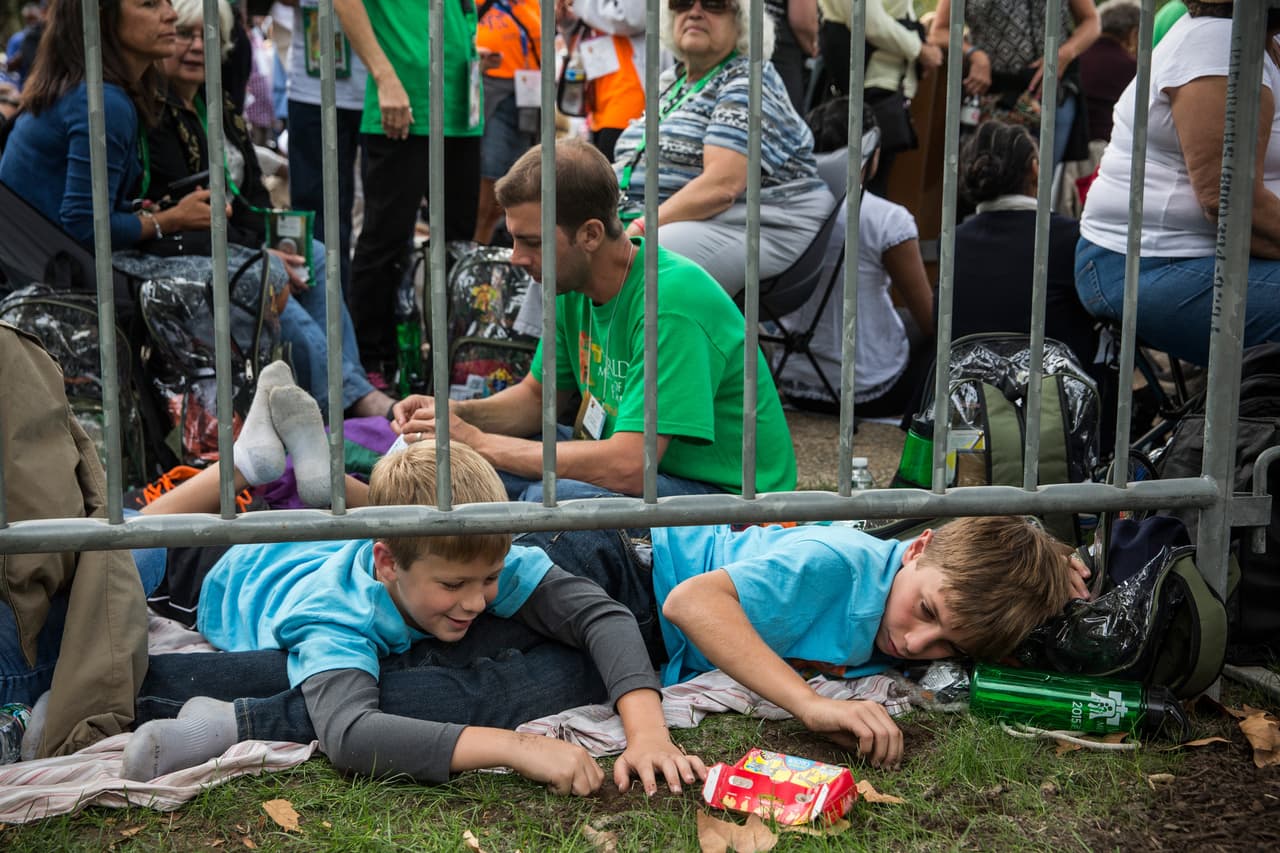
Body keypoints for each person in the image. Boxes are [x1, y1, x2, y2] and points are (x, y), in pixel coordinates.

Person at [119, 382, 704, 792]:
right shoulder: (336, 615)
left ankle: (292, 475)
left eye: (490, 579)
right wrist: (517, 747)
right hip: (210, 573)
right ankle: (245, 461)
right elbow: (349, 734)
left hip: (309, 547)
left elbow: (602, 617)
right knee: (126, 547)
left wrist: (649, 735)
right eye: (455, 584)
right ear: (388, 563)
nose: (478, 600)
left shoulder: (480, 556)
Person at [391, 139, 798, 502]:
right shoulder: (571, 283)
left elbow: (629, 466)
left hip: (730, 501)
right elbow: (536, 401)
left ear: (589, 234)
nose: (515, 257)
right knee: (446, 468)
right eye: (513, 238)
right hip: (636, 462)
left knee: (551, 499)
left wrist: (481, 444)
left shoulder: (671, 303)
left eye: (530, 242)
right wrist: (457, 417)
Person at [142, 0, 393, 420]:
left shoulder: (215, 107)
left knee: (313, 254)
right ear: (162, 39)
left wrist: (271, 242)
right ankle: (351, 400)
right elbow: (197, 216)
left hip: (234, 241)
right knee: (269, 276)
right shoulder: (156, 116)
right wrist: (263, 253)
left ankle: (341, 397)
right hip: (183, 251)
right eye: (183, 35)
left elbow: (252, 196)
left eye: (206, 37)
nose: (195, 48)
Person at [1076, 2, 1280, 367]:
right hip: (1148, 265)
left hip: (1193, 257)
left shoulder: (1259, 40)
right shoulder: (1217, 46)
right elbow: (1229, 202)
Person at [611, 0, 833, 298]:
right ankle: (548, 342)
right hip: (678, 218)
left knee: (641, 258)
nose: (695, 11)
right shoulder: (672, 82)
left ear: (743, 21)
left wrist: (640, 224)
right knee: (567, 236)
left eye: (715, 3)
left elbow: (722, 186)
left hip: (754, 222)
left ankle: (648, 345)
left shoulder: (748, 77)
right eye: (681, 2)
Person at [336, 0, 483, 385]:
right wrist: (385, 77)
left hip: (461, 108)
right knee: (385, 238)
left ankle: (448, 360)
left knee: (457, 244)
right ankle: (370, 363)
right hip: (404, 105)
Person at [0, 0, 215, 249]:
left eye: (167, 2)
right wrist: (171, 219)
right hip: (48, 274)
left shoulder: (89, 91)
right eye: (150, 4)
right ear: (102, 20)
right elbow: (85, 227)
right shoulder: (101, 102)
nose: (171, 15)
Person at [775, 101, 935, 418]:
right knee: (939, 334)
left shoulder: (782, 208)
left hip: (789, 380)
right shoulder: (887, 219)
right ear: (871, 153)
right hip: (866, 390)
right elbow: (930, 321)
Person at [952, 121, 1098, 375]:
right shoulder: (1072, 237)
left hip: (969, 399)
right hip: (1055, 400)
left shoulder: (953, 241)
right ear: (1034, 168)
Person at [929, 0, 1100, 167]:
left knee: (1041, 183)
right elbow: (939, 32)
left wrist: (1064, 53)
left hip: (1052, 94)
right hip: (994, 97)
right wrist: (974, 54)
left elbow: (1092, 21)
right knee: (989, 178)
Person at [285, 0, 370, 295]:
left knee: (386, 221)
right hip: (313, 89)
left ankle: (374, 326)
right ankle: (329, 318)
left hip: (386, 89)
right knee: (319, 219)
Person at [817, 0, 943, 196]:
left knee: (868, 188)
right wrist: (919, 49)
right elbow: (869, 21)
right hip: (867, 89)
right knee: (857, 190)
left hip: (880, 89)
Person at [474, 0, 541, 244]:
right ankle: (474, 268)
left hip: (527, 96)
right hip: (492, 94)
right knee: (488, 197)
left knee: (515, 188)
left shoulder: (536, 4)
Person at [556, 0, 648, 163]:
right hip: (597, 109)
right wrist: (566, 19)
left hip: (628, 102)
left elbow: (632, 18)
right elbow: (589, 27)